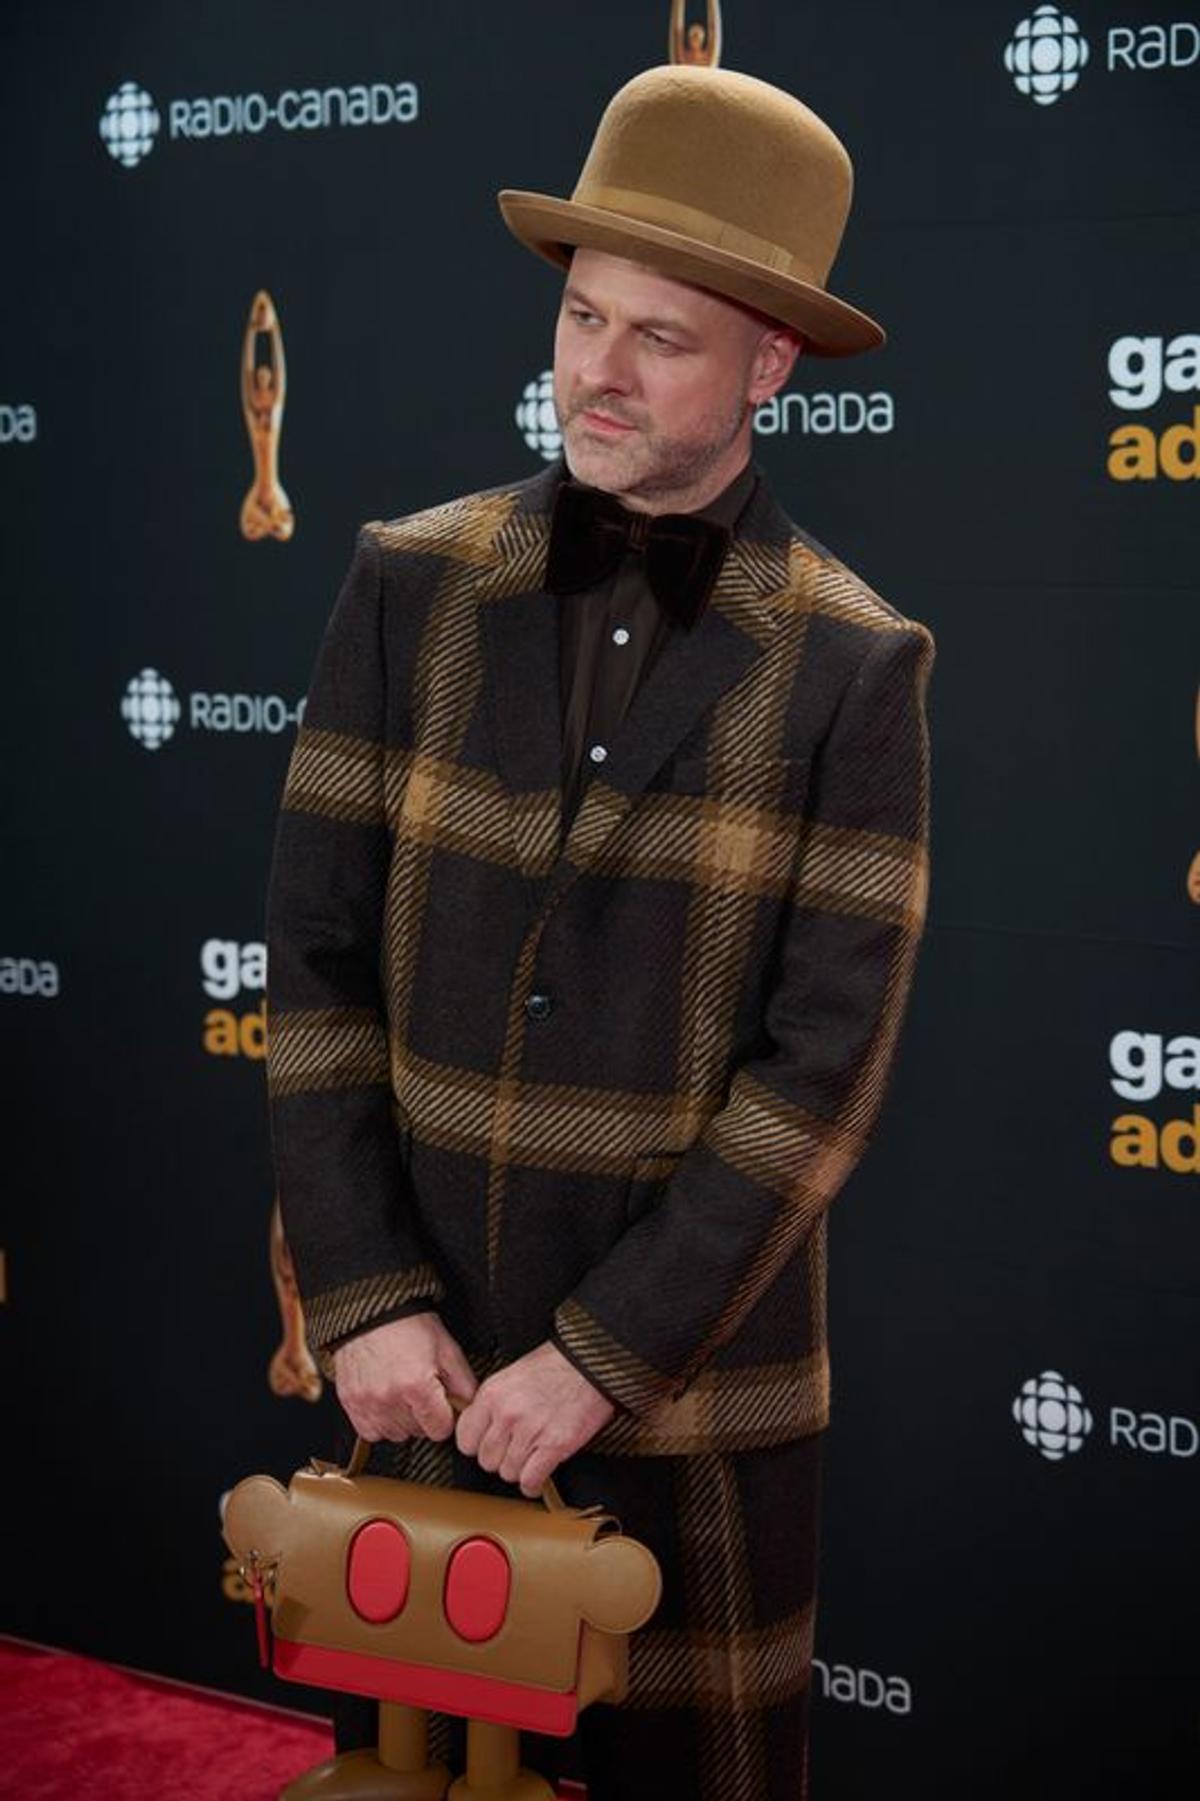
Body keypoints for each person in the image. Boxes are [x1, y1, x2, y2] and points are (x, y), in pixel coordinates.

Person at [265, 63, 934, 1801]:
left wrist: (600, 1357)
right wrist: (361, 1295)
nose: (598, 372)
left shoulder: (860, 664)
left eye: (664, 337)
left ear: (771, 366)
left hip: (690, 1409)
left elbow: (818, 1088)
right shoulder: (404, 582)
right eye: (582, 316)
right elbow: (315, 973)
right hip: (414, 1393)